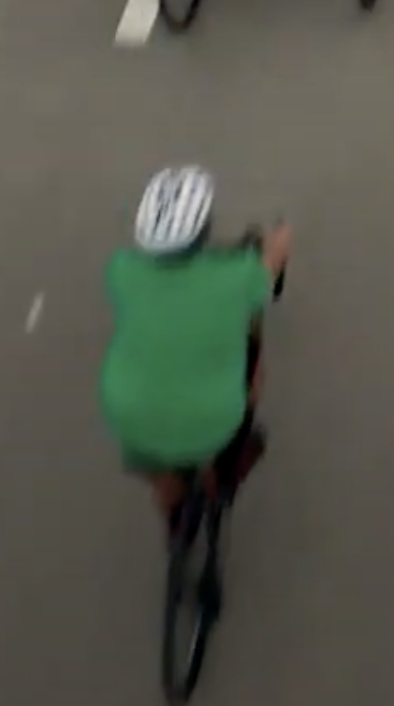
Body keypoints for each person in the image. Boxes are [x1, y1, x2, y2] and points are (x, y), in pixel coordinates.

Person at [99, 165, 295, 536]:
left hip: (132, 415)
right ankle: (215, 474)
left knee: (157, 465)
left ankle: (171, 510)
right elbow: (271, 265)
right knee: (253, 365)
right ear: (204, 228)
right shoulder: (239, 276)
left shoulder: (120, 270)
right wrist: (282, 237)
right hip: (212, 417)